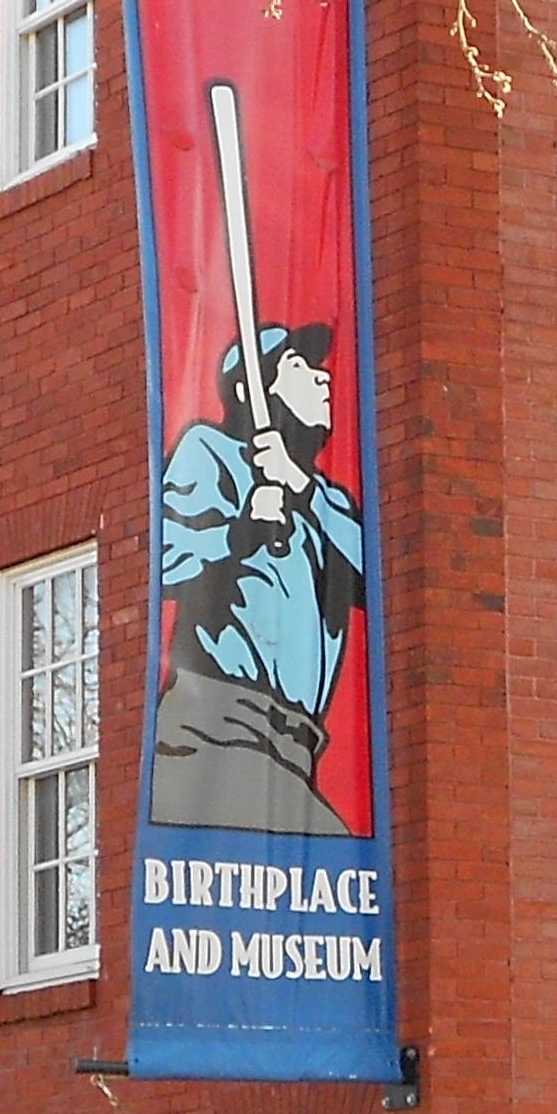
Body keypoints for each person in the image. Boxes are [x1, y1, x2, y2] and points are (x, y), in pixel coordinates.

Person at [153, 323, 364, 836]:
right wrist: (239, 534)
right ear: (253, 393)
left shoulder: (328, 502)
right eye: (299, 369)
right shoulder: (211, 452)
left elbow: (370, 578)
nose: (322, 380)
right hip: (218, 733)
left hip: (294, 750)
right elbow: (169, 560)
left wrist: (298, 486)